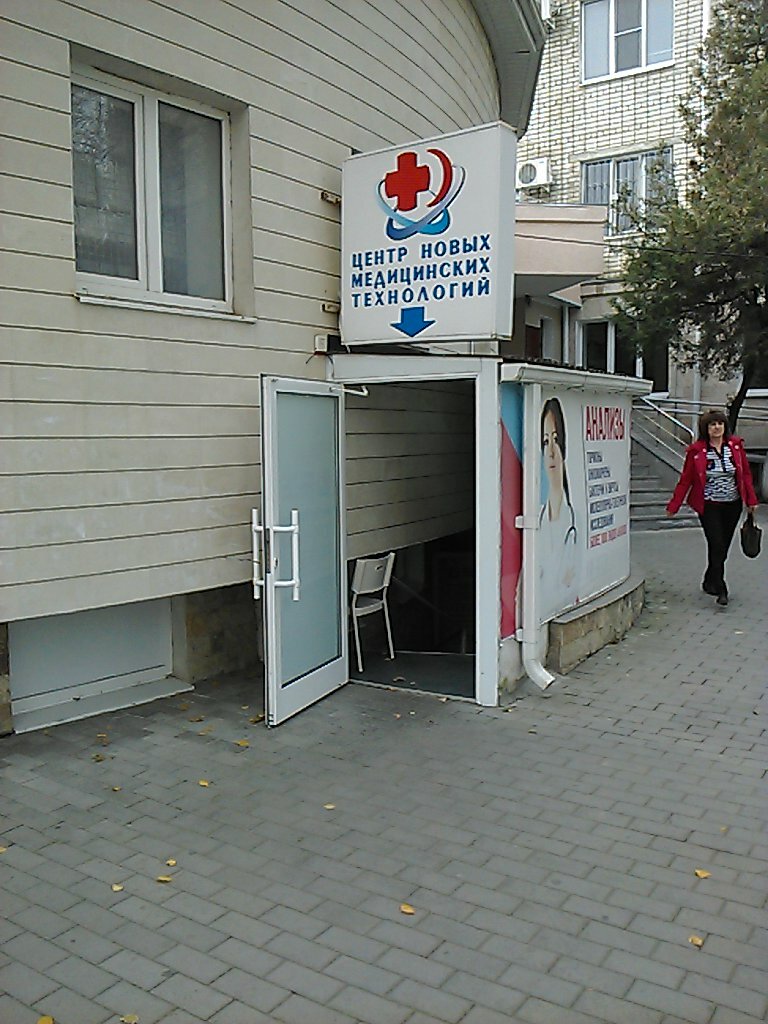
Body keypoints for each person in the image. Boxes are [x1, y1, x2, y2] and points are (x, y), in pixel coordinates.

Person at [667, 409, 758, 606]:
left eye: (720, 424)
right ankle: (721, 587)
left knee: (723, 547)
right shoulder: (697, 451)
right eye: (712, 424)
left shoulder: (735, 446)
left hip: (732, 505)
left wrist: (751, 501)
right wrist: (674, 505)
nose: (717, 428)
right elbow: (686, 480)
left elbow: (745, 475)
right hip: (709, 505)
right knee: (716, 543)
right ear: (705, 429)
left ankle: (710, 579)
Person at [539, 398, 578, 618]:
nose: (551, 451)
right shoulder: (536, 518)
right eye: (545, 442)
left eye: (556, 440)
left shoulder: (574, 521)